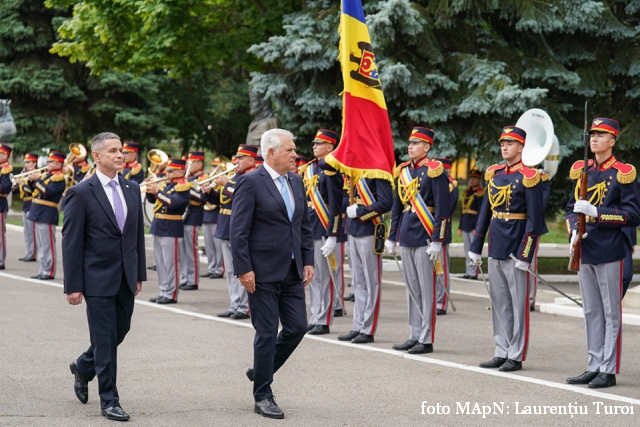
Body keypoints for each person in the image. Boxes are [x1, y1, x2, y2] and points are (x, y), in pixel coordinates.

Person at [62, 132, 146, 421]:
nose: (120, 155)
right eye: (112, 151)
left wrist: (139, 274)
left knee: (118, 333)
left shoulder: (132, 188)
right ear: (97, 156)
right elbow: (71, 242)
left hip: (125, 277)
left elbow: (136, 236)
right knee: (104, 337)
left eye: (121, 150)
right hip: (96, 279)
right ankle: (109, 400)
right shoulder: (81, 192)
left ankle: (84, 367)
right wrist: (73, 286)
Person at [231, 128, 313, 419]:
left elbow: (303, 225)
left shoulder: (295, 181)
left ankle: (261, 369)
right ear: (271, 153)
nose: (295, 154)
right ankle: (263, 395)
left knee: (297, 327)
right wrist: (243, 269)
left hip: (292, 269)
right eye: (290, 150)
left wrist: (307, 260)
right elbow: (238, 231)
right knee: (266, 333)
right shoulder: (250, 182)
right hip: (262, 271)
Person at [565, 117, 640, 388]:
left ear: (613, 141)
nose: (594, 139)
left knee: (611, 312)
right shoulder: (581, 170)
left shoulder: (623, 172)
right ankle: (593, 363)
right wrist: (574, 229)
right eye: (592, 134)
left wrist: (597, 213)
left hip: (610, 249)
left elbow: (633, 216)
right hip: (584, 247)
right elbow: (570, 207)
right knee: (591, 311)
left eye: (601, 135)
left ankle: (608, 369)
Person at [469, 125, 545, 372]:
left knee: (518, 304)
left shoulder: (529, 176)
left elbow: (534, 221)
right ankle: (501, 349)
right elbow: (485, 213)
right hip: (497, 244)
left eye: (510, 143)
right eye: (502, 143)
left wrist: (526, 254)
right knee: (499, 301)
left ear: (521, 147)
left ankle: (516, 353)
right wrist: (476, 246)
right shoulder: (495, 174)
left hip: (516, 246)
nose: (504, 147)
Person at [387, 127, 450, 354]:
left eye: (416, 143)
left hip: (425, 235)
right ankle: (414, 334)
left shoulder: (435, 171)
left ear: (427, 147)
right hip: (407, 233)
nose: (410, 146)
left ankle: (426, 337)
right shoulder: (403, 171)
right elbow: (397, 206)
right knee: (412, 289)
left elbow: (443, 210)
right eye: (409, 143)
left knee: (426, 289)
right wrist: (392, 235)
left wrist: (437, 240)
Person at [325, 153, 393, 344]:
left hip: (369, 229)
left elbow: (386, 202)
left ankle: (368, 329)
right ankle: (358, 326)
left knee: (371, 283)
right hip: (352, 230)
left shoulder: (378, 170)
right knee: (358, 283)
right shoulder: (353, 170)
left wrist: (361, 212)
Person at [301, 129, 347, 335]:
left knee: (324, 276)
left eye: (319, 144)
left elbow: (338, 204)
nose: (314, 146)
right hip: (310, 226)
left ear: (330, 147)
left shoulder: (333, 170)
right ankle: (315, 315)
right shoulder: (310, 168)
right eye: (314, 143)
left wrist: (332, 234)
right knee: (313, 276)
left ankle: (324, 319)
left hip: (324, 227)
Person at [214, 144, 258, 319]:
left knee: (241, 268)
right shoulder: (237, 176)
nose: (236, 161)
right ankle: (235, 303)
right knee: (231, 271)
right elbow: (223, 200)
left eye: (240, 158)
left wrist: (226, 184)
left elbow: (240, 194)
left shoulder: (253, 176)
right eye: (236, 158)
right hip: (226, 225)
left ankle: (244, 306)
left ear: (251, 160)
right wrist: (209, 191)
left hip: (240, 227)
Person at [145, 158, 190, 304]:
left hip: (171, 226)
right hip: (158, 224)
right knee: (160, 262)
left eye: (171, 171)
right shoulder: (166, 185)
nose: (167, 173)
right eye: (167, 170)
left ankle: (171, 294)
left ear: (180, 171)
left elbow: (173, 203)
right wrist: (150, 191)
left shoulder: (183, 187)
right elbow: (154, 201)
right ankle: (163, 290)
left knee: (170, 263)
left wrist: (157, 191)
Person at [28, 150, 67, 280]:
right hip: (38, 211)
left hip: (47, 212)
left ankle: (49, 271)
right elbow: (35, 189)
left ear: (59, 164)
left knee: (47, 244)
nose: (48, 163)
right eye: (48, 161)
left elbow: (46, 191)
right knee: (40, 244)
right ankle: (42, 269)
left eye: (51, 162)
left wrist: (37, 178)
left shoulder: (59, 178)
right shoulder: (47, 176)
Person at [433, 157, 458, 316]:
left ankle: (442, 303)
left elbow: (446, 209)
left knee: (441, 269)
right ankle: (434, 299)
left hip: (441, 231)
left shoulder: (451, 187)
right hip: (430, 229)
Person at [178, 151, 207, 291]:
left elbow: (202, 197)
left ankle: (193, 279)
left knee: (191, 250)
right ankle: (185, 277)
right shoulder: (187, 177)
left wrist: (186, 188)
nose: (188, 165)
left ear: (199, 164)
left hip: (194, 216)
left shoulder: (203, 177)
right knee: (183, 251)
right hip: (183, 216)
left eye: (191, 162)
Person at [199, 156, 224, 280]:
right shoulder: (209, 179)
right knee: (209, 245)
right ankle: (212, 268)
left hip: (217, 215)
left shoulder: (222, 183)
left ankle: (219, 269)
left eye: (216, 166)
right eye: (213, 166)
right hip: (207, 216)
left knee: (218, 246)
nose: (214, 169)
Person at [458, 169, 483, 279]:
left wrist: (476, 226)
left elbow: (481, 212)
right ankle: (468, 271)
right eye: (471, 178)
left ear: (479, 180)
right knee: (467, 249)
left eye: (474, 178)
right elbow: (463, 211)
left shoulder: (480, 193)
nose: (472, 180)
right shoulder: (466, 192)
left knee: (474, 250)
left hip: (473, 224)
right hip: (466, 224)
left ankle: (474, 272)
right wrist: (460, 226)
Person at [15, 152, 39, 262]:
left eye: (28, 162)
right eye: (25, 162)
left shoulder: (37, 174)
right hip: (25, 203)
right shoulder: (25, 173)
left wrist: (22, 184)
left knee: (31, 230)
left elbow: (33, 191)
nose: (26, 164)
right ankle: (28, 252)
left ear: (34, 163)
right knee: (27, 230)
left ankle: (32, 253)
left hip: (32, 203)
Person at [0, 142, 13, 269]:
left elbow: (5, 188)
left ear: (5, 155)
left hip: (0, 204)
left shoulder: (6, 169)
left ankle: (0, 260)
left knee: (0, 236)